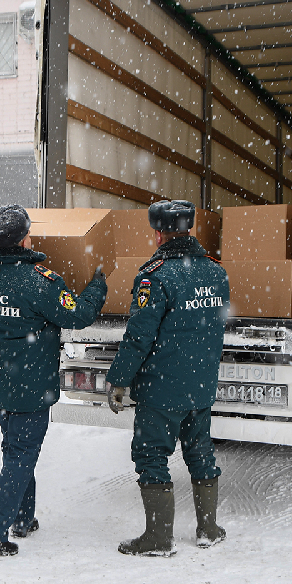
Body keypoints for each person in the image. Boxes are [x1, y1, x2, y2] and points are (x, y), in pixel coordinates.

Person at [0, 204, 107, 556]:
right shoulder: (40, 283)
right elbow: (80, 314)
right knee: (21, 454)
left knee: (16, 449)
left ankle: (23, 518)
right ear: (25, 240)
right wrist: (97, 284)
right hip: (32, 387)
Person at [105, 199, 229, 557]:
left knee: (151, 455)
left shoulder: (154, 276)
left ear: (158, 235)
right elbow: (214, 326)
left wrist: (119, 378)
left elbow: (139, 336)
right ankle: (208, 528)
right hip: (201, 384)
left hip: (162, 386)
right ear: (188, 230)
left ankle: (159, 539)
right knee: (201, 453)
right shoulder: (215, 271)